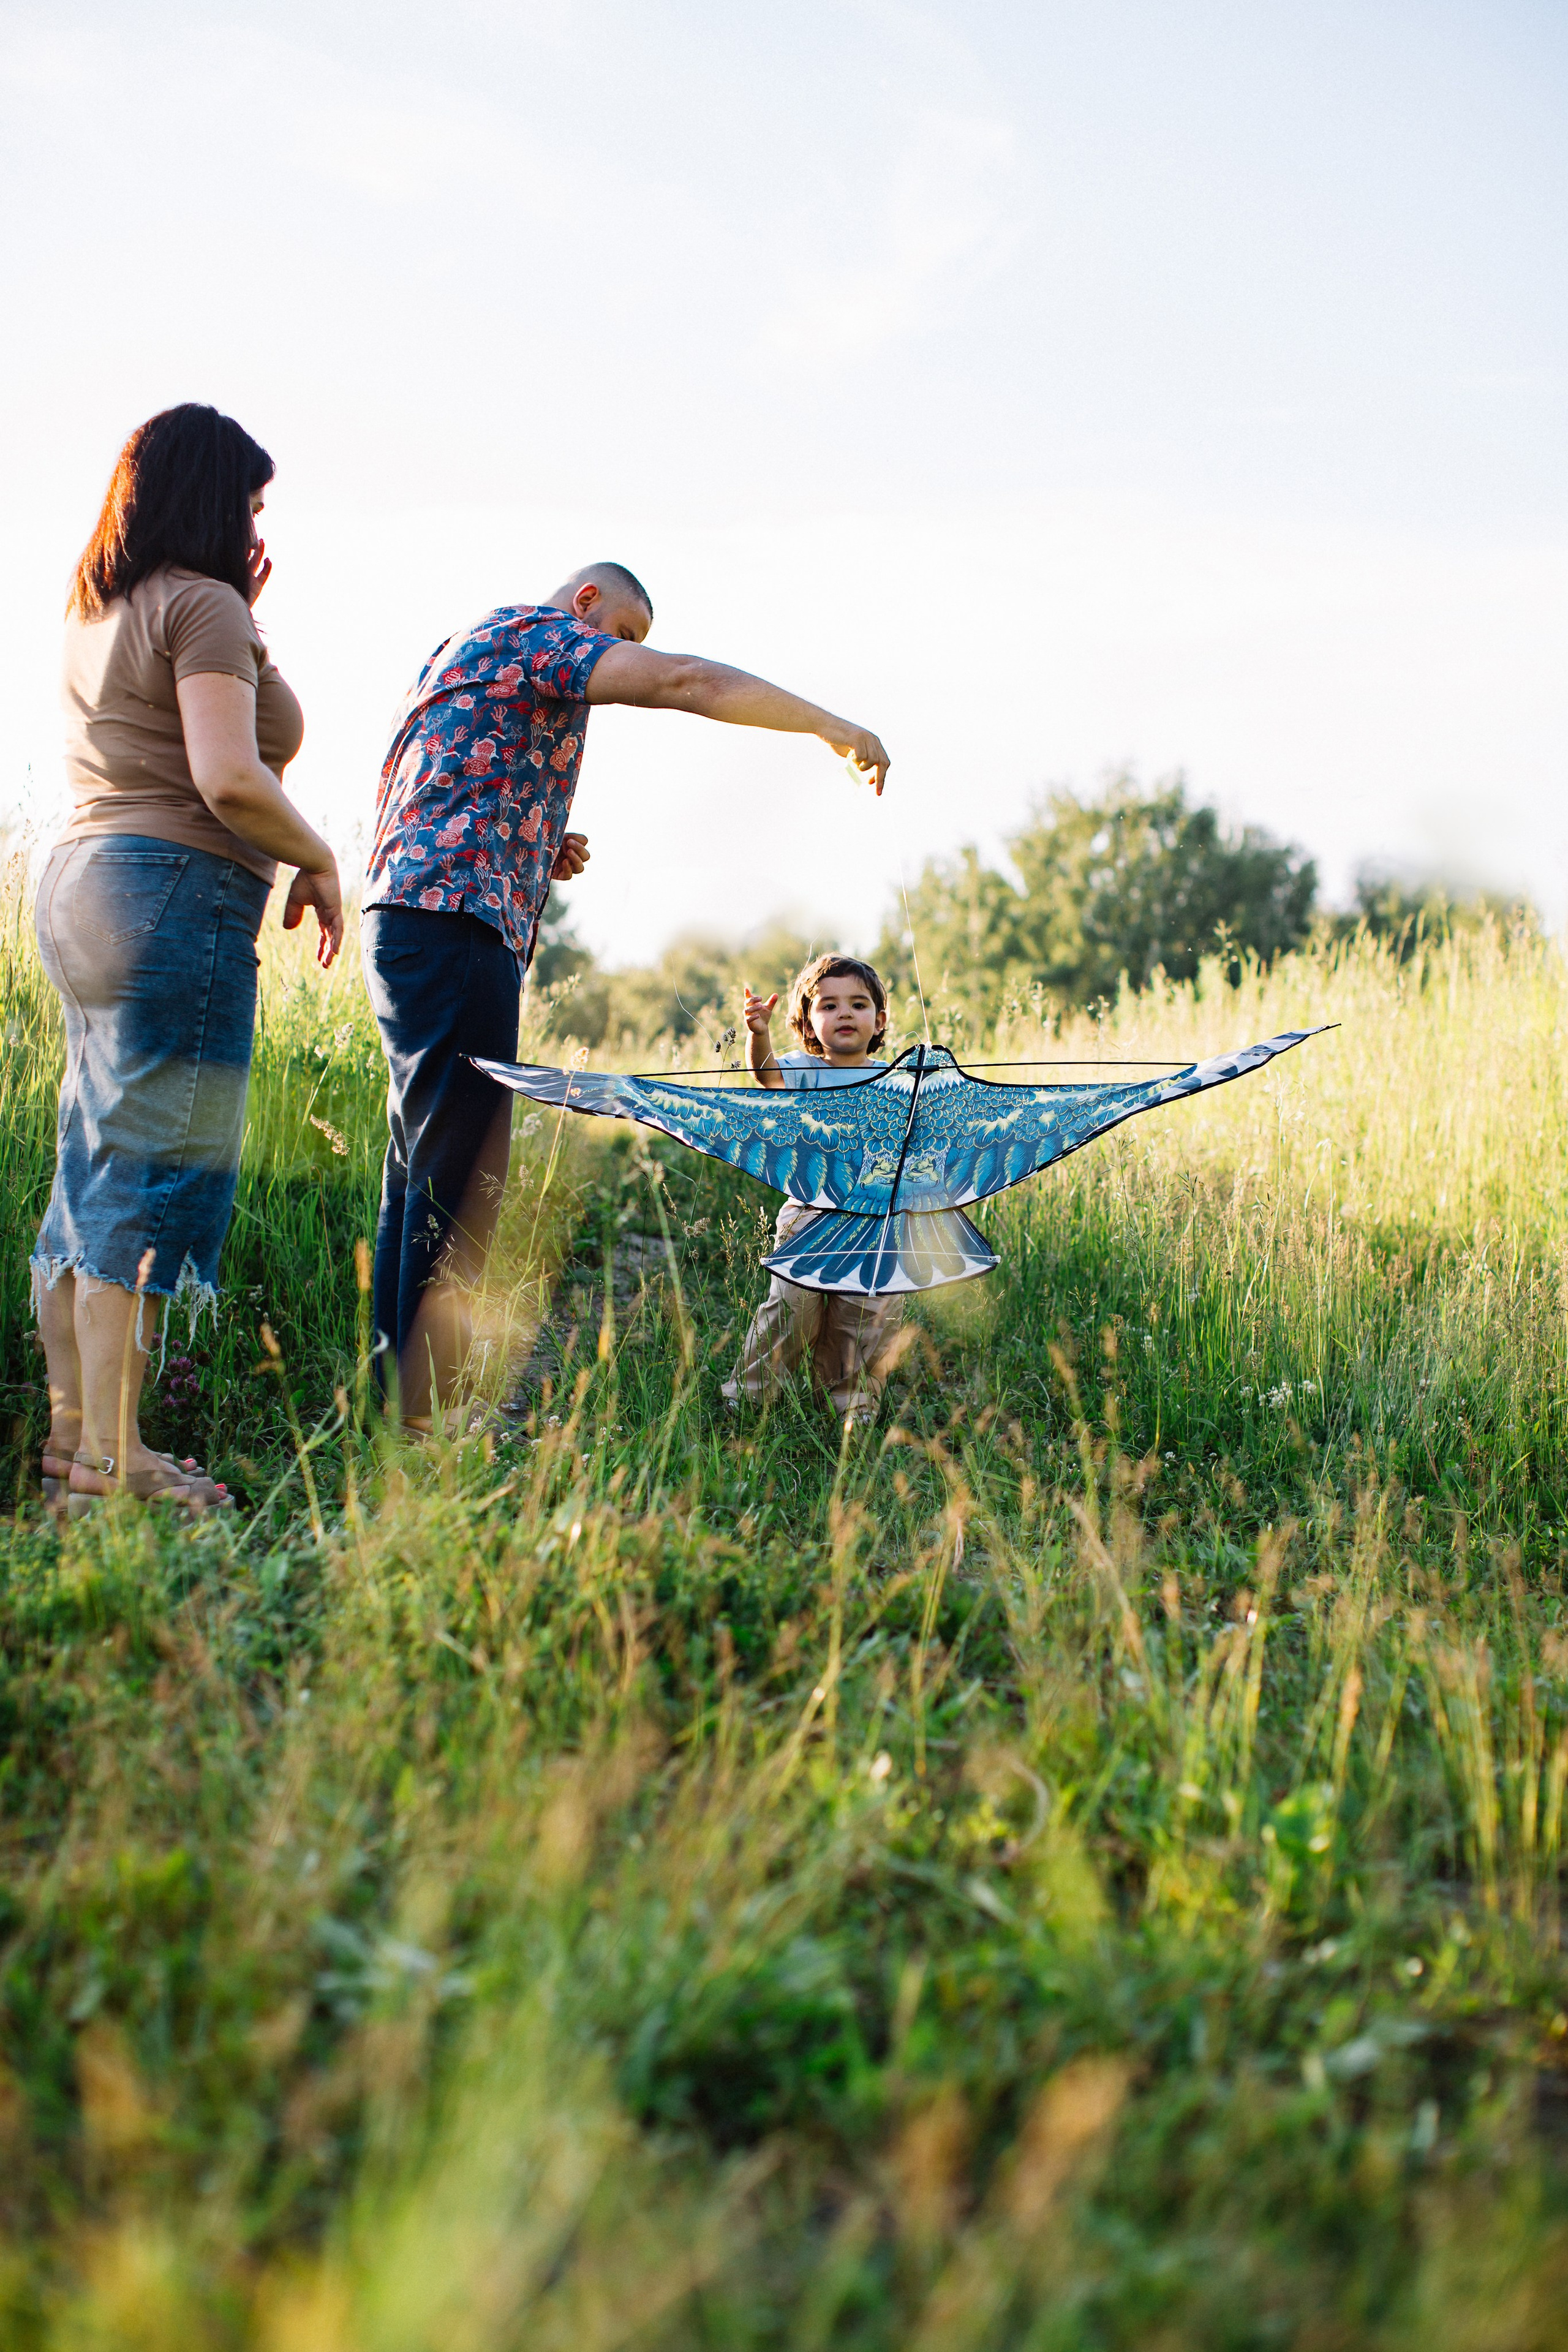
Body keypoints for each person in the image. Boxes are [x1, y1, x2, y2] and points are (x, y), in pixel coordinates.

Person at [361, 565, 890, 1430]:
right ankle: (428, 1415)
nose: (620, 656)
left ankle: (397, 1407)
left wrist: (531, 839)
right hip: (454, 923)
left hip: (409, 914)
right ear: (584, 605)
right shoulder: (542, 636)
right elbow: (690, 682)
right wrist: (833, 727)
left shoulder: (462, 650)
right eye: (621, 633)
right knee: (464, 1166)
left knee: (421, 1164)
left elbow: (433, 780)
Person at [31, 403, 343, 1515]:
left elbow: (268, 719)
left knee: (95, 1170)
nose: (259, 525)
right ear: (216, 501)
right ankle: (117, 1465)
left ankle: (79, 1451)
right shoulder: (197, 605)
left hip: (80, 882)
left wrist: (246, 623)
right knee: (151, 1178)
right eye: (250, 505)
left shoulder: (104, 606)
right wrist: (318, 858)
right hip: (172, 890)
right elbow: (232, 777)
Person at [721, 954, 905, 1425]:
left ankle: (851, 1406)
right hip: (811, 1213)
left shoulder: (896, 1078)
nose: (844, 1013)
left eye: (858, 1004)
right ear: (806, 1021)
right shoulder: (802, 1068)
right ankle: (750, 1399)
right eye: (828, 1006)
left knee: (862, 1318)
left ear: (879, 1020)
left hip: (876, 1220)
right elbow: (766, 1077)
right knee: (792, 1309)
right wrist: (757, 1034)